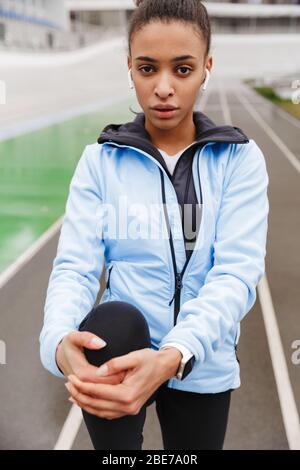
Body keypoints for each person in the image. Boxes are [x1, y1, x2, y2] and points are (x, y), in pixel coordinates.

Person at [39, 0, 269, 450]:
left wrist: (174, 354)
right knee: (115, 318)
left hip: (200, 361)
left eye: (182, 70)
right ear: (129, 67)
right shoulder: (99, 161)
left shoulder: (240, 160)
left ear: (206, 68)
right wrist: (59, 343)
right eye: (147, 68)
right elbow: (75, 268)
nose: (163, 88)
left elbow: (236, 274)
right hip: (118, 355)